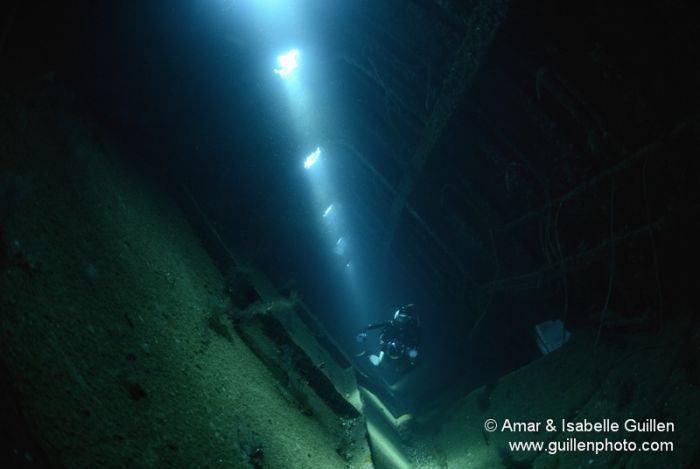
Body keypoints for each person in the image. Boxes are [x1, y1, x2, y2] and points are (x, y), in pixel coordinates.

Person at [356, 304, 420, 368]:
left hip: (402, 349)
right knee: (379, 363)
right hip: (386, 346)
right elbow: (373, 326)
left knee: (406, 363)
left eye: (405, 320)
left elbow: (416, 342)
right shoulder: (391, 324)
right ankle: (368, 354)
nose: (402, 322)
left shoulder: (410, 329)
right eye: (401, 319)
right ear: (396, 317)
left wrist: (413, 353)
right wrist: (363, 331)